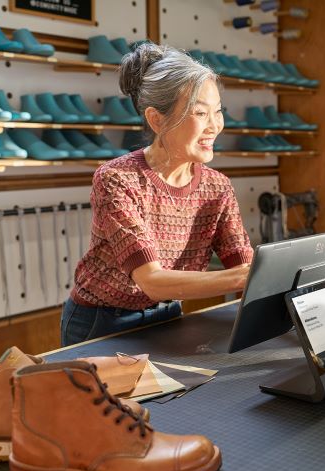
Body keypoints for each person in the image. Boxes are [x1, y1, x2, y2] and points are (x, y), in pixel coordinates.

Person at [61, 43, 253, 346]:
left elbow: (244, 266)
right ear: (157, 120)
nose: (215, 125)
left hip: (170, 314)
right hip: (103, 323)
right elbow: (152, 280)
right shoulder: (117, 180)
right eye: (200, 113)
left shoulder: (218, 187)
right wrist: (249, 276)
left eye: (217, 111)